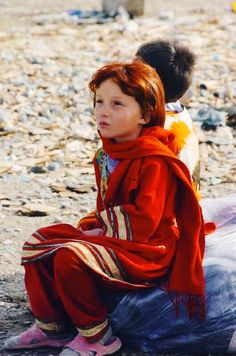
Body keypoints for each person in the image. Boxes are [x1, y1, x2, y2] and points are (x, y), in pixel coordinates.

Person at [2, 61, 206, 355]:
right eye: (99, 101)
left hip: (148, 249)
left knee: (70, 258)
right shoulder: (105, 154)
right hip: (119, 237)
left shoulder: (154, 159)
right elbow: (107, 205)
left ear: (146, 113)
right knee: (40, 242)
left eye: (117, 103)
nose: (103, 111)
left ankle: (99, 338)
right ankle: (53, 328)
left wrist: (100, 229)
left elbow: (146, 221)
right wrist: (95, 225)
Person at [136, 39, 200, 191]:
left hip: (160, 208)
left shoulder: (153, 123)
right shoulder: (180, 113)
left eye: (135, 69)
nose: (125, 73)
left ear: (151, 83)